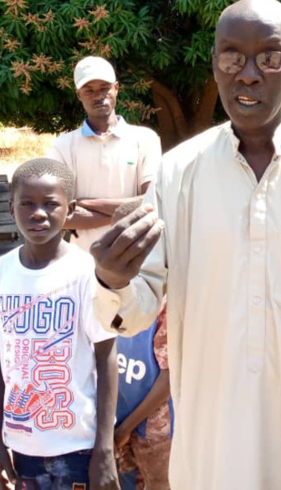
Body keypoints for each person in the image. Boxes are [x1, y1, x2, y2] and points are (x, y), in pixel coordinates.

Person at [90, 0, 281, 489]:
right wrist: (111, 281)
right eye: (232, 58)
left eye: (269, 58)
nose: (248, 75)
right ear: (214, 65)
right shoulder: (178, 174)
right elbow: (135, 309)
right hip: (215, 436)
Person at [0, 158, 119, 490]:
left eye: (50, 204)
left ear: (71, 209)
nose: (38, 213)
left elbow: (107, 357)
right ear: (11, 208)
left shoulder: (86, 273)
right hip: (23, 446)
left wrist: (104, 448)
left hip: (79, 446)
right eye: (27, 204)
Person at [48, 56, 162, 252]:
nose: (98, 96)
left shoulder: (145, 139)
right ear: (78, 94)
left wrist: (87, 204)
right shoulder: (63, 146)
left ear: (116, 88)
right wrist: (124, 213)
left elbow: (152, 202)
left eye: (104, 88)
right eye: (89, 90)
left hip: (134, 256)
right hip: (81, 259)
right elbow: (58, 214)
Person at [111, 201, 172, 490]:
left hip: (157, 430)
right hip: (121, 420)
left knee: (159, 482)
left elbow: (169, 378)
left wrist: (125, 428)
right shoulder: (108, 292)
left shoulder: (169, 303)